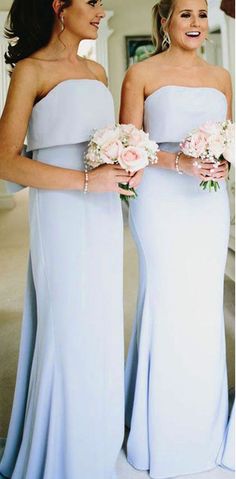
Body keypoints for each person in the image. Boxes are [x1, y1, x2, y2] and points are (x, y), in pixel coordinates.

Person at [0, 1, 137, 478]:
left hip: (101, 212)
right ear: (60, 7)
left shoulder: (98, 71)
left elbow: (100, 144)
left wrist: (123, 167)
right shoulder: (31, 71)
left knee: (99, 323)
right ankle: (62, 453)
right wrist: (85, 182)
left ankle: (96, 445)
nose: (102, 10)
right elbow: (5, 160)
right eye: (92, 2)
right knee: (68, 323)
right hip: (62, 211)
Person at [120, 0, 232, 477]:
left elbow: (227, 138)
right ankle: (156, 434)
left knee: (203, 306)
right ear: (165, 20)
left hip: (208, 202)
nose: (196, 23)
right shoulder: (140, 73)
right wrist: (177, 162)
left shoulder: (222, 77)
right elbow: (127, 145)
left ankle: (199, 434)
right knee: (167, 301)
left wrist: (222, 164)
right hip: (162, 202)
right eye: (185, 14)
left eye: (202, 14)